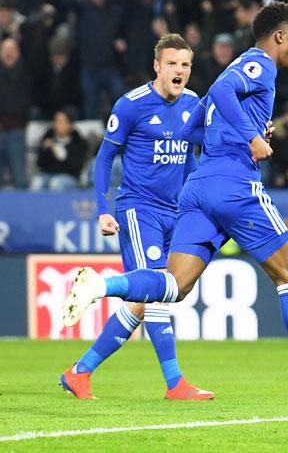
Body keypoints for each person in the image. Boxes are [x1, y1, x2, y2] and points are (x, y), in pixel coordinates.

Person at [63, 2, 288, 407]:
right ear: (280, 37)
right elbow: (220, 90)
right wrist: (253, 138)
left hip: (196, 189)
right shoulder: (261, 63)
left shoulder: (223, 82)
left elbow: (198, 122)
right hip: (231, 183)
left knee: (173, 287)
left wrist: (248, 127)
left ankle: (101, 285)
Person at [60, 34, 212, 401]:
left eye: (186, 65)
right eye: (173, 64)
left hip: (175, 211)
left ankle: (79, 372)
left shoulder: (193, 104)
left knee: (143, 304)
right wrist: (102, 210)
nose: (180, 71)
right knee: (159, 290)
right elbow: (104, 158)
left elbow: (190, 156)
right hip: (138, 209)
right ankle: (175, 382)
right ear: (157, 66)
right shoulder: (131, 105)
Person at [31, 108, 88, 191]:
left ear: (70, 125)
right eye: (56, 121)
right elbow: (40, 164)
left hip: (70, 177)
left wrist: (56, 148)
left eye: (62, 122)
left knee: (56, 183)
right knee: (37, 182)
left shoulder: (78, 141)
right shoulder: (48, 137)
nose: (58, 125)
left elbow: (75, 166)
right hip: (49, 175)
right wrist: (44, 150)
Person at [0, 37, 29, 189]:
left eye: (12, 51)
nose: (8, 54)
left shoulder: (27, 72)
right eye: (5, 51)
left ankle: (24, 210)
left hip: (17, 129)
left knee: (19, 174)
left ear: (18, 53)